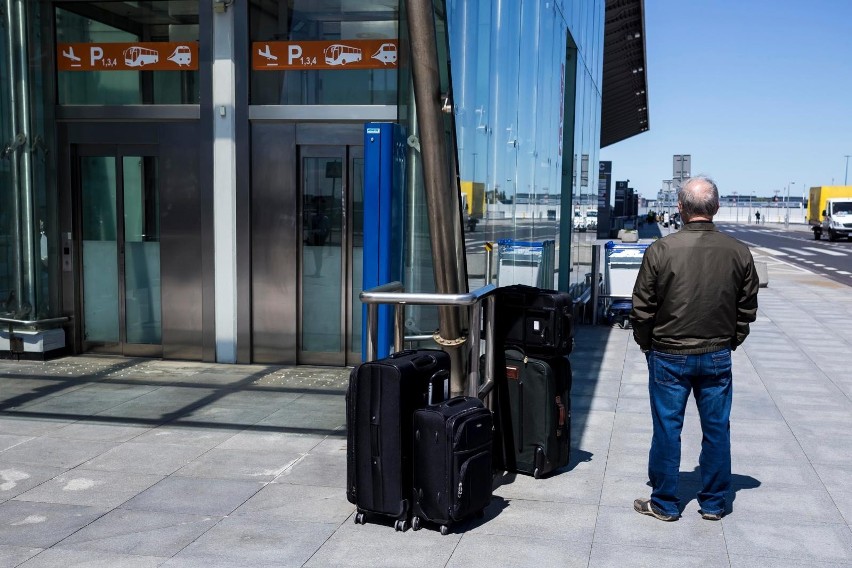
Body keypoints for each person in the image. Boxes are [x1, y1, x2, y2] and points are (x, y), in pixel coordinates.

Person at [629, 175, 759, 522]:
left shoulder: (662, 249)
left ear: (680, 208)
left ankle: (665, 503)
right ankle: (714, 503)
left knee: (667, 427)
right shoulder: (738, 251)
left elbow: (642, 307)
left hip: (669, 352)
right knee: (717, 428)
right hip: (716, 352)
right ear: (716, 208)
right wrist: (732, 340)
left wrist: (647, 344)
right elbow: (747, 307)